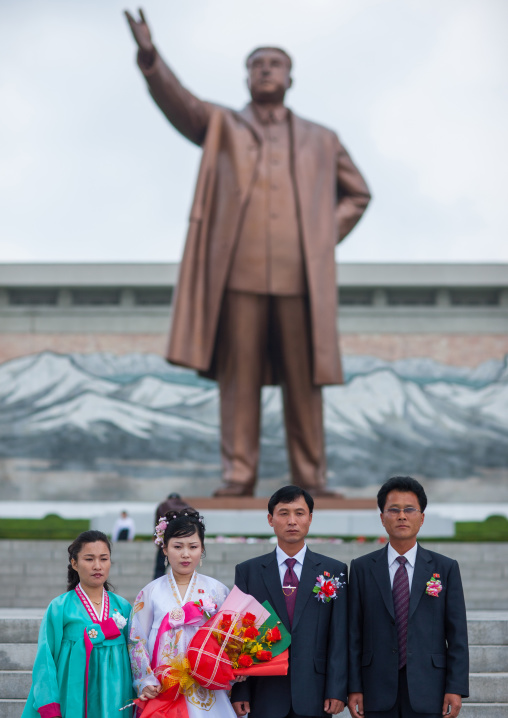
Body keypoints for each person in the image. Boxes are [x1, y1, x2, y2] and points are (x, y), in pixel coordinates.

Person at [124, 10, 371, 497]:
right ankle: (239, 477)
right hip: (237, 278)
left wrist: (322, 237)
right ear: (247, 75)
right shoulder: (222, 124)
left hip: (300, 281)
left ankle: (311, 480)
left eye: (275, 63)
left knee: (305, 385)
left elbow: (358, 194)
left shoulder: (323, 139)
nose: (265, 69)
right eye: (257, 63)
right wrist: (151, 58)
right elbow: (181, 104)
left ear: (290, 77)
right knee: (238, 383)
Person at [348, 476, 469, 718]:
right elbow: (353, 634)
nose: (402, 516)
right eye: (394, 510)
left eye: (409, 509)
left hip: (429, 687)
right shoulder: (362, 568)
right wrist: (354, 687)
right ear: (382, 518)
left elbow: (457, 635)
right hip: (376, 686)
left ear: (421, 518)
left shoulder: (444, 568)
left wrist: (455, 687)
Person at [230, 485, 348, 717]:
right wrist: (240, 691)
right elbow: (239, 634)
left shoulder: (333, 571)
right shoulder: (249, 572)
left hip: (315, 691)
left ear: (310, 518)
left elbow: (339, 637)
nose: (292, 520)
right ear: (270, 519)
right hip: (265, 692)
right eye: (284, 513)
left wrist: (337, 689)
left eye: (299, 513)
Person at [128, 508, 237, 717]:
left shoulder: (218, 591)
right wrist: (145, 680)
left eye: (193, 546)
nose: (185, 553)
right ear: (165, 550)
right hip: (164, 686)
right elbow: (136, 640)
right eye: (177, 546)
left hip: (207, 685)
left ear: (202, 549)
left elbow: (230, 637)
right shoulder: (150, 592)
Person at [22, 530, 134, 718]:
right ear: (74, 563)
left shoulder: (123, 607)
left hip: (115, 694)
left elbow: (136, 654)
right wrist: (49, 703)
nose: (97, 566)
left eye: (104, 559)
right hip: (72, 694)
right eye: (89, 559)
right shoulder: (60, 607)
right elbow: (45, 658)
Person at [153, 493, 191, 579]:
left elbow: (157, 524)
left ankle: (156, 589)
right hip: (184, 545)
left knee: (160, 570)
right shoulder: (186, 506)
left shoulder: (163, 505)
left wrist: (157, 540)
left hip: (166, 544)